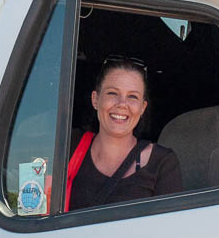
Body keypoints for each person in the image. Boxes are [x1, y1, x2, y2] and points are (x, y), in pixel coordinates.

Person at [66, 56, 182, 211]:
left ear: (142, 108)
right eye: (113, 93)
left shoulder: (162, 163)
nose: (122, 104)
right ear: (95, 99)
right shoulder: (69, 144)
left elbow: (169, 230)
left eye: (132, 96)